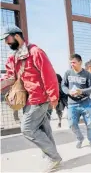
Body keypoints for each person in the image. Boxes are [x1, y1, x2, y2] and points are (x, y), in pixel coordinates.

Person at [0, 26, 62, 172]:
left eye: (7, 39)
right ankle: (51, 156)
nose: (6, 43)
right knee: (43, 128)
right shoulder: (14, 57)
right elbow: (10, 77)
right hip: (27, 99)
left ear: (16, 36)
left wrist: (53, 96)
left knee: (27, 128)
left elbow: (49, 74)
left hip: (39, 98)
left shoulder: (35, 52)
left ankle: (53, 157)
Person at [62, 54, 91, 150]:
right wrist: (68, 91)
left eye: (74, 62)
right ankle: (80, 138)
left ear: (80, 62)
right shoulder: (68, 73)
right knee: (72, 124)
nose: (72, 64)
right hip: (72, 103)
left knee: (90, 124)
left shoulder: (87, 74)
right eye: (71, 62)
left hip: (86, 103)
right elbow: (63, 86)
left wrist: (82, 91)